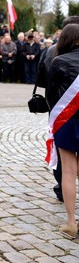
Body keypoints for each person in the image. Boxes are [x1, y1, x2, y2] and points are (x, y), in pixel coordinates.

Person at [45, 23, 79, 239]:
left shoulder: (59, 61)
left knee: (68, 171)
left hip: (67, 120)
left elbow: (50, 95)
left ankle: (70, 223)